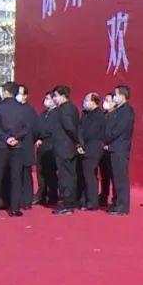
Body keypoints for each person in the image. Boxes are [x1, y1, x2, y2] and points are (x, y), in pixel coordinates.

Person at [0, 82, 31, 217]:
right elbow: (27, 127)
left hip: (1, 145)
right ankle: (15, 208)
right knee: (16, 177)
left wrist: (6, 138)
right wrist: (16, 137)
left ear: (6, 92)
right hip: (17, 145)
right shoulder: (23, 109)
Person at [102, 85, 134, 215]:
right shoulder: (119, 110)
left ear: (122, 96)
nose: (114, 97)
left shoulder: (127, 111)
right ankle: (116, 202)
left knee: (121, 179)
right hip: (113, 148)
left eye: (115, 95)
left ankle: (122, 206)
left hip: (120, 149)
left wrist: (106, 138)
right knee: (115, 177)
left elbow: (118, 130)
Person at [50, 85, 80, 215]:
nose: (54, 99)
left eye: (55, 96)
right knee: (69, 175)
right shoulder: (72, 108)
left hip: (64, 147)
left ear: (62, 96)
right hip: (67, 147)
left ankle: (67, 204)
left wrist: (77, 141)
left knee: (65, 177)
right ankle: (69, 202)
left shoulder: (64, 109)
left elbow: (70, 127)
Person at [77, 93, 105, 211]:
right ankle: (83, 200)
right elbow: (80, 128)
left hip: (93, 148)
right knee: (83, 175)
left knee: (90, 176)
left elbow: (92, 132)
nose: (84, 102)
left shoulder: (99, 115)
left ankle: (92, 202)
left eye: (87, 100)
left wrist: (83, 143)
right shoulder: (84, 113)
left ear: (94, 102)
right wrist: (79, 144)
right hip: (82, 147)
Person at [34, 91, 59, 206]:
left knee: (50, 172)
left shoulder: (57, 113)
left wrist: (43, 136)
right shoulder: (43, 113)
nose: (46, 101)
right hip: (41, 145)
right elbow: (38, 127)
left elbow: (52, 129)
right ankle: (41, 194)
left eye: (48, 98)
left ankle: (53, 195)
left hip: (51, 145)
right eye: (46, 98)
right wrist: (38, 138)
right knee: (40, 171)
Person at [17, 84, 39, 210]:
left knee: (26, 174)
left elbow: (35, 129)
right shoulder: (14, 109)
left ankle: (27, 200)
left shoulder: (30, 111)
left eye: (20, 93)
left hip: (26, 146)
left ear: (26, 96)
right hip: (13, 147)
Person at [98, 94, 116, 208]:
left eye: (108, 100)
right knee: (104, 175)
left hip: (111, 149)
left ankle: (115, 199)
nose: (105, 102)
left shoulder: (116, 116)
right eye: (105, 100)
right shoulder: (103, 115)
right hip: (101, 149)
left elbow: (114, 133)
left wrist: (108, 143)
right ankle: (103, 196)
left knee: (113, 176)